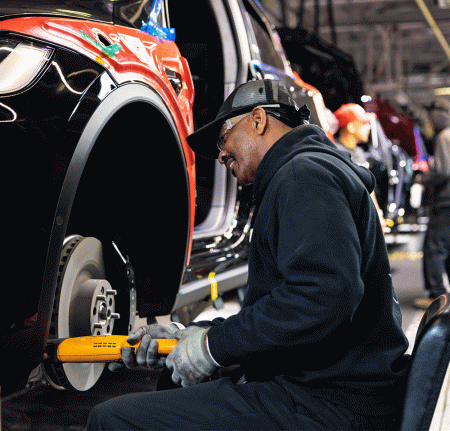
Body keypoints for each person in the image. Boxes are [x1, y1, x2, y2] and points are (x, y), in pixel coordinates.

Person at [87, 80, 409, 430]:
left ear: (258, 119)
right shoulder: (305, 172)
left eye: (223, 138)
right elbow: (287, 304)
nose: (221, 154)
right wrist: (193, 334)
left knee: (111, 420)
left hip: (332, 399)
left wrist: (211, 347)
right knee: (174, 380)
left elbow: (322, 298)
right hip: (325, 382)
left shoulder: (304, 176)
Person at [414, 101, 450, 310]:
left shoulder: (444, 136)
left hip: (445, 202)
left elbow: (444, 171)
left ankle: (436, 297)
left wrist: (423, 179)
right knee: (446, 249)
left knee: (433, 249)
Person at [333, 103, 386, 230]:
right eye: (363, 123)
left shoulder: (359, 153)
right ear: (351, 127)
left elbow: (368, 186)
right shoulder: (334, 151)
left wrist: (378, 214)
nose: (368, 127)